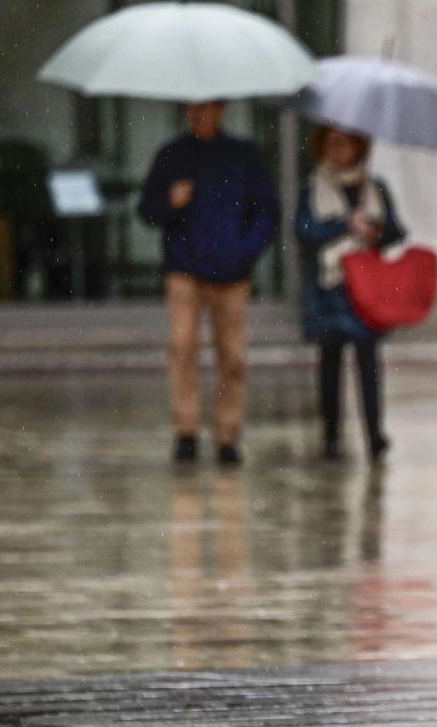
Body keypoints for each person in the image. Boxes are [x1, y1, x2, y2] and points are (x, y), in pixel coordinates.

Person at [138, 101, 279, 465]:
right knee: (183, 346)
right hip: (185, 268)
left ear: (220, 109)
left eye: (207, 108)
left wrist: (245, 251)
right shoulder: (171, 156)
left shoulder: (243, 155)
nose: (200, 114)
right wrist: (170, 201)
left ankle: (228, 434)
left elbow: (266, 211)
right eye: (193, 109)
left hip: (232, 272)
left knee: (232, 354)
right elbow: (147, 210)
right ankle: (185, 430)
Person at [296, 125, 404, 460]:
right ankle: (331, 435)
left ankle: (375, 433)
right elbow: (304, 231)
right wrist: (344, 225)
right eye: (332, 144)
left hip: (366, 286)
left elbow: (397, 231)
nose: (338, 151)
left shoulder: (374, 187)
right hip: (330, 286)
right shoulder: (312, 187)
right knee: (329, 364)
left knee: (369, 362)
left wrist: (374, 230)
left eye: (345, 144)